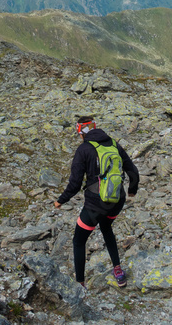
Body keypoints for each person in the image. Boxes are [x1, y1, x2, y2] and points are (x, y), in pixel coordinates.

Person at [54, 116, 139, 289]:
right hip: (117, 200)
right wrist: (131, 191)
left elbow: (75, 183)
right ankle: (118, 271)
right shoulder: (114, 144)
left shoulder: (84, 149)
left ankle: (80, 285)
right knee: (107, 228)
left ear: (81, 131)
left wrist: (60, 200)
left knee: (79, 240)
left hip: (96, 204)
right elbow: (133, 171)